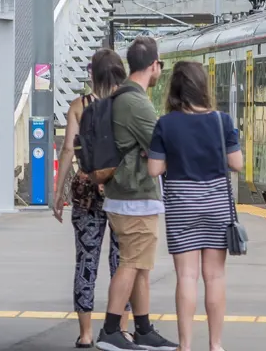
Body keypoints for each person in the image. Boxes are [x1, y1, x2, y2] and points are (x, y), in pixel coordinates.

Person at [146, 61, 241, 351]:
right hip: (215, 204)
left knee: (186, 276)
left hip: (181, 205)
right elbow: (237, 163)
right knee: (215, 276)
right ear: (202, 87)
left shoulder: (166, 124)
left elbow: (153, 169)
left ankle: (185, 345)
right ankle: (215, 344)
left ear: (175, 89)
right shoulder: (221, 121)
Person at [94, 37, 177, 351]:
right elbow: (161, 147)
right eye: (160, 66)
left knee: (139, 264)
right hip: (134, 196)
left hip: (127, 193)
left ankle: (142, 329)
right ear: (154, 65)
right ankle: (111, 329)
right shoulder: (137, 101)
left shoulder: (123, 96)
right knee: (131, 262)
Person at [52, 49, 131, 349]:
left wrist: (57, 194)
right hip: (121, 191)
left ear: (91, 75)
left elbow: (68, 151)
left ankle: (85, 333)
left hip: (86, 191)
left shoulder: (78, 106)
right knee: (123, 263)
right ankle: (120, 329)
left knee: (86, 260)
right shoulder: (127, 105)